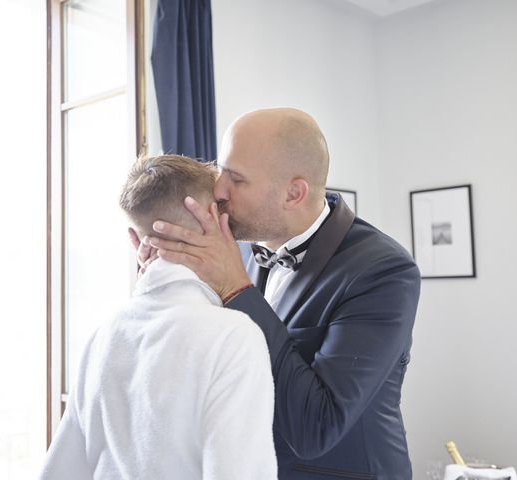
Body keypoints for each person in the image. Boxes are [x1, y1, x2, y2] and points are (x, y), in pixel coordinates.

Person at [144, 108, 421, 479]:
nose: (219, 191)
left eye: (236, 180)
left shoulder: (383, 271)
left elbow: (317, 427)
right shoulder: (236, 248)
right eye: (219, 171)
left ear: (294, 192)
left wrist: (234, 288)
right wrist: (162, 276)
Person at [40, 155, 277, 480]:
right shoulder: (233, 336)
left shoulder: (104, 334)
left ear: (137, 238)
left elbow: (59, 472)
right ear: (214, 219)